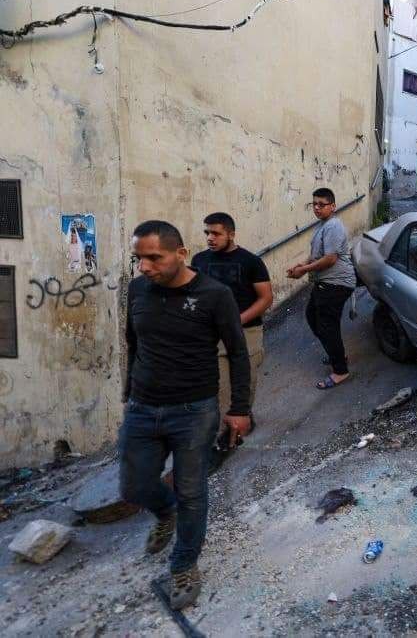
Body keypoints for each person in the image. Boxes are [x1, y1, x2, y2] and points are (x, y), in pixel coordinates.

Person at [120, 220, 251, 610]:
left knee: (192, 491)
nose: (144, 266)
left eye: (153, 258)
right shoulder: (138, 289)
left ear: (180, 253)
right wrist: (129, 393)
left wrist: (240, 408)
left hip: (194, 411)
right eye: (139, 258)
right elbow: (133, 342)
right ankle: (165, 510)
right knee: (133, 486)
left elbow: (238, 352)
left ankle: (183, 565)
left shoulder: (215, 295)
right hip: (142, 408)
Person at [192, 212, 273, 425]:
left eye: (216, 233)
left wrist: (237, 320)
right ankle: (224, 435)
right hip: (214, 336)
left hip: (247, 332)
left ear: (231, 234)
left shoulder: (251, 262)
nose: (210, 238)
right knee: (220, 388)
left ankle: (243, 418)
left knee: (245, 384)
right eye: (207, 233)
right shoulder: (198, 260)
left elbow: (266, 298)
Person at [286, 187, 356, 389]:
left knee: (327, 325)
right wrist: (301, 265)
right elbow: (316, 255)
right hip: (325, 283)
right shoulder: (323, 226)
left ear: (332, 206)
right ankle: (337, 354)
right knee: (313, 317)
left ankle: (340, 371)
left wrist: (304, 270)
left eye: (321, 204)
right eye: (314, 204)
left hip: (337, 283)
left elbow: (330, 259)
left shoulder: (333, 226)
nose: (316, 208)